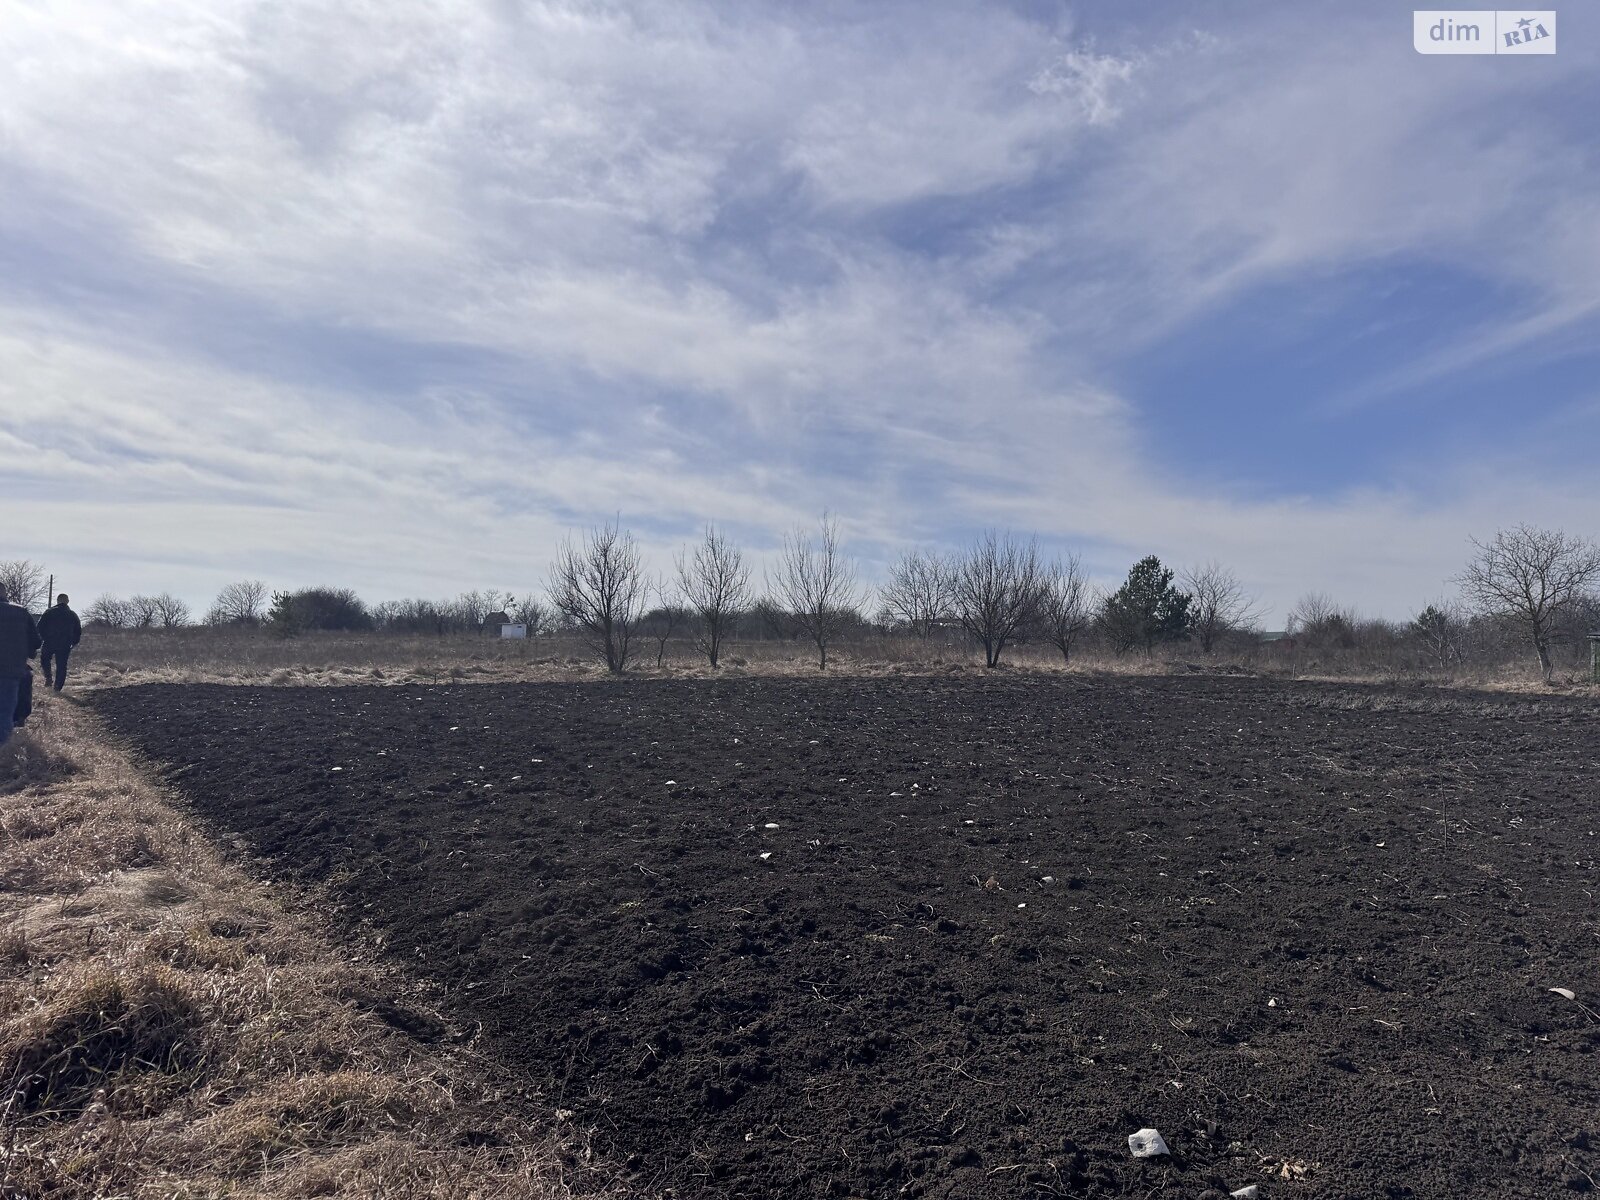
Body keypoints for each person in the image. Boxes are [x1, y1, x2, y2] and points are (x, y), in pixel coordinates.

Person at [0, 581, 42, 746]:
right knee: (4, 713)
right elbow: (36, 641)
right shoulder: (20, 612)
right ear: (5, 594)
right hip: (10, 671)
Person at [37, 593, 81, 693]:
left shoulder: (49, 612)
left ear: (57, 601)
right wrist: (74, 643)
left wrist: (44, 638)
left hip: (49, 641)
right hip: (65, 644)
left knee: (44, 659)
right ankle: (57, 688)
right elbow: (78, 631)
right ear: (68, 601)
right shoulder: (72, 614)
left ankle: (48, 677)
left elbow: (39, 627)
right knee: (61, 665)